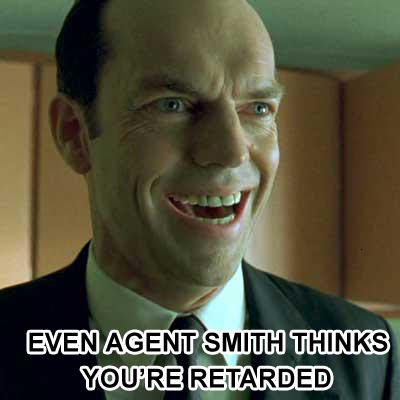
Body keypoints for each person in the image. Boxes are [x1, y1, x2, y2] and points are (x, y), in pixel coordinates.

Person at [0, 0, 398, 399]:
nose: (232, 151)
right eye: (173, 104)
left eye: (259, 108)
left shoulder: (364, 359)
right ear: (74, 134)